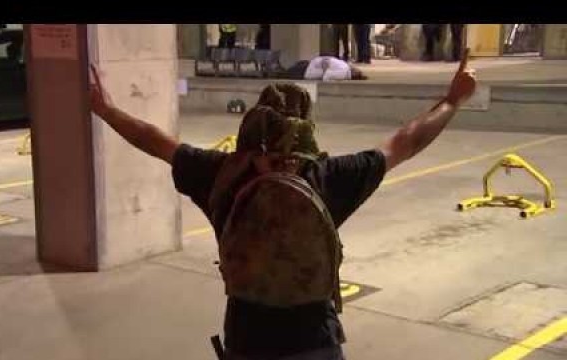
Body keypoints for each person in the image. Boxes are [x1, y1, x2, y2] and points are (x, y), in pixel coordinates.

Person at [89, 49, 476, 360]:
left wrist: (106, 110)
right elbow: (405, 142)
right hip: (314, 340)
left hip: (246, 339)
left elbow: (155, 141)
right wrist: (452, 101)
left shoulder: (220, 174)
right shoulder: (327, 178)